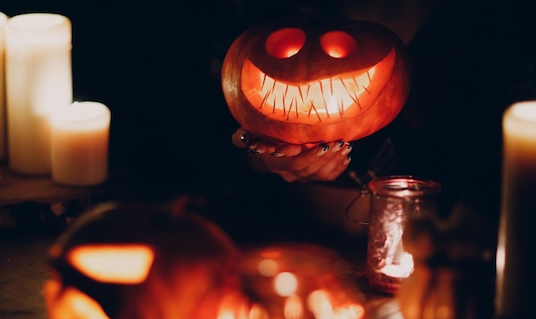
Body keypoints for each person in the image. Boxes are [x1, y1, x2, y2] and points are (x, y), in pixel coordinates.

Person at [226, 0, 536, 232]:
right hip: (304, 249)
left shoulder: (508, 26)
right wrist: (261, 155)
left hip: (456, 269)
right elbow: (203, 157)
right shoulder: (261, 13)